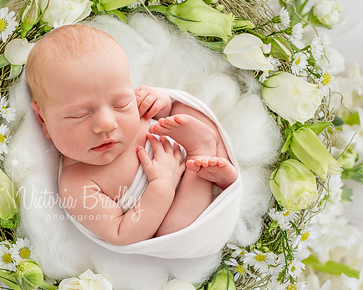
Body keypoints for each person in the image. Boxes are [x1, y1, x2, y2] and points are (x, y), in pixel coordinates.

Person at [25, 23, 237, 246]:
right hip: (171, 205)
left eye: (120, 103)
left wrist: (161, 101)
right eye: (79, 115)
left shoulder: (134, 107)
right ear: (43, 121)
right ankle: (202, 154)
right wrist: (162, 185)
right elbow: (122, 233)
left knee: (185, 108)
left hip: (178, 142)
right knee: (172, 231)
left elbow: (160, 112)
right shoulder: (76, 184)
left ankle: (217, 161)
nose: (107, 124)